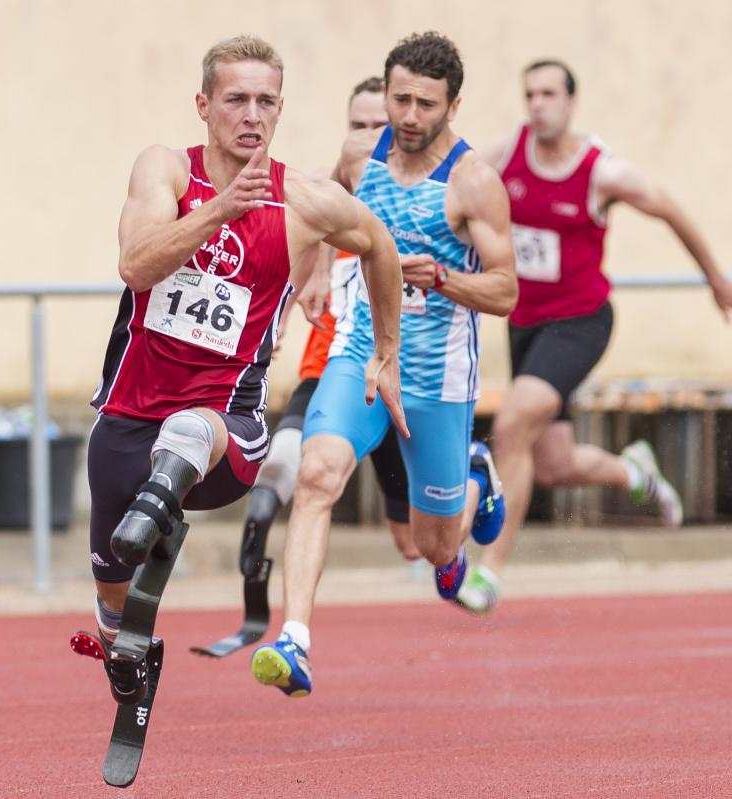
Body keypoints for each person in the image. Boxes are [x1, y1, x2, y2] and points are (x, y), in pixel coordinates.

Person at [71, 35, 408, 704]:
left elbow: (379, 245)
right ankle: (127, 645)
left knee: (191, 431)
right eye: (236, 100)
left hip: (227, 430)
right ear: (204, 105)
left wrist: (385, 349)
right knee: (112, 589)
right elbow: (136, 264)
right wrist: (221, 209)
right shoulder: (164, 170)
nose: (252, 115)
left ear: (280, 109)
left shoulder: (304, 200)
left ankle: (162, 500)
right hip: (128, 418)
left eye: (266, 101)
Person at [250, 32, 516, 699]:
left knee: (434, 548)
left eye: (426, 104)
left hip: (437, 381)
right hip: (360, 356)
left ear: (453, 105)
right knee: (316, 474)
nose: (408, 115)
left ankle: (476, 478)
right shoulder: (357, 156)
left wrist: (446, 279)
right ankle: (295, 640)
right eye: (400, 98)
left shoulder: (473, 183)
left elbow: (507, 291)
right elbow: (317, 216)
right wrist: (309, 277)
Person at [456, 59, 732, 614]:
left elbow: (670, 209)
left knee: (512, 424)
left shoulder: (602, 172)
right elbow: (447, 187)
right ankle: (635, 471)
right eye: (531, 94)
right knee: (552, 464)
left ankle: (489, 573)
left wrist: (716, 280)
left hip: (580, 321)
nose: (539, 104)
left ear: (572, 103)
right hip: (525, 324)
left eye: (550, 94)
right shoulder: (504, 155)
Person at [239, 76, 421, 581]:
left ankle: (473, 463)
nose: (365, 138)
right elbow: (284, 275)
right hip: (333, 371)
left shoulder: (425, 202)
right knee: (293, 461)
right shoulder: (322, 198)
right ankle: (259, 538)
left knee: (412, 543)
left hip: (405, 380)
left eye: (377, 127)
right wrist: (272, 326)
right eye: (356, 126)